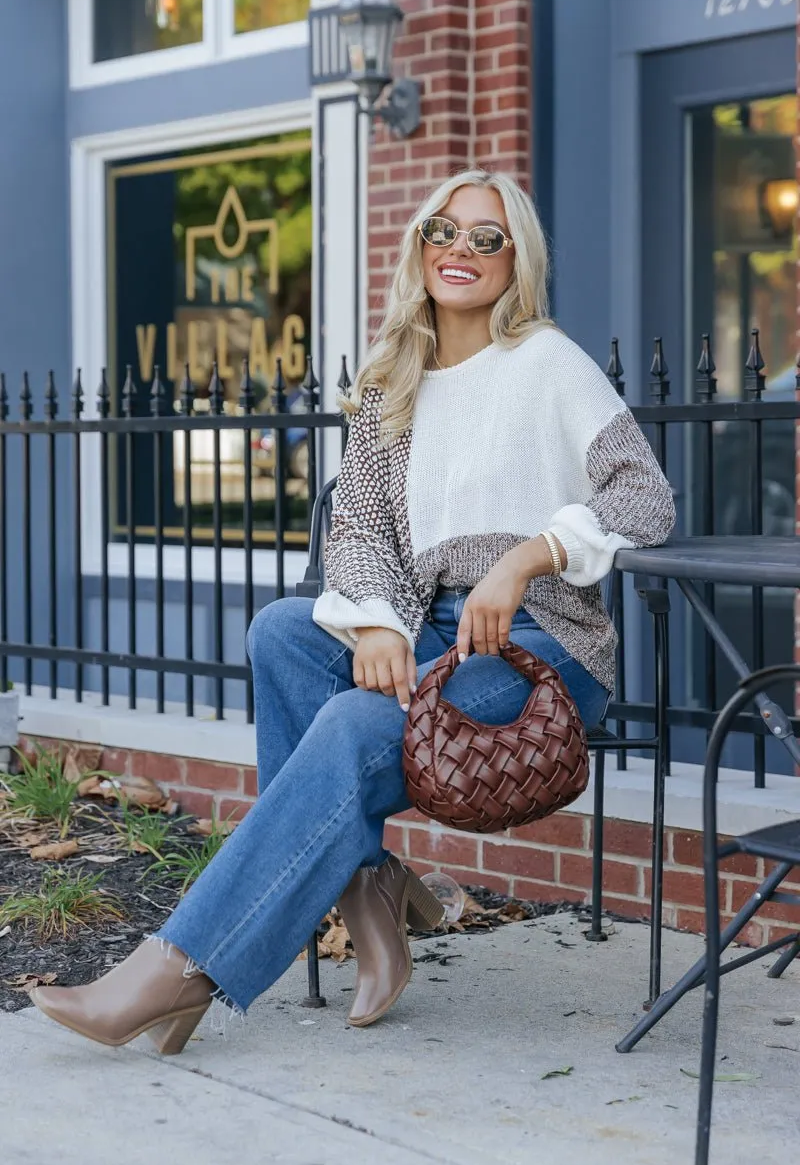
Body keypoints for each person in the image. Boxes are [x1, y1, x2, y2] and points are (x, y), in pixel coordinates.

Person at [29, 169, 675, 1053]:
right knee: (283, 635)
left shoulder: (548, 364)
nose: (461, 250)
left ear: (516, 260)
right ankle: (366, 885)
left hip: (539, 651)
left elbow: (645, 497)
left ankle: (178, 971)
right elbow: (362, 529)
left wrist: (529, 558)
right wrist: (378, 620)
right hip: (434, 632)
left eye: (488, 238)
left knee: (346, 725)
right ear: (419, 244)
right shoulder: (394, 387)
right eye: (444, 231)